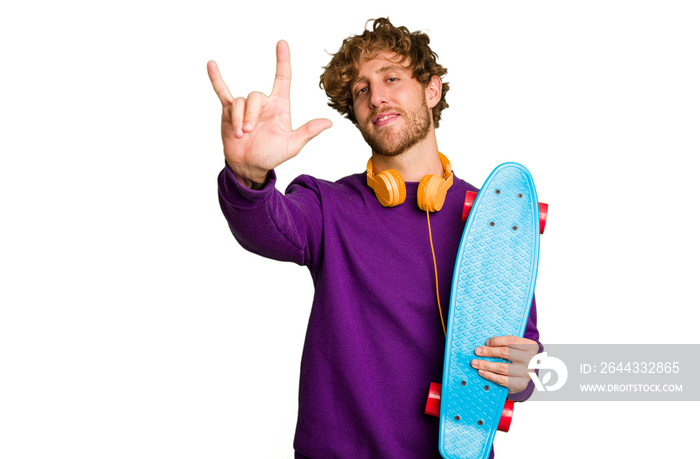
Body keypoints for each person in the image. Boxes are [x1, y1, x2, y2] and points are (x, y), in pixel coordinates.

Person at [208, 18, 542, 459]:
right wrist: (249, 174)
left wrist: (523, 376)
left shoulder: (494, 216)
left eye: (391, 78)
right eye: (362, 89)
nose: (376, 96)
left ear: (432, 90)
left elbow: (524, 355)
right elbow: (266, 227)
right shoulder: (326, 205)